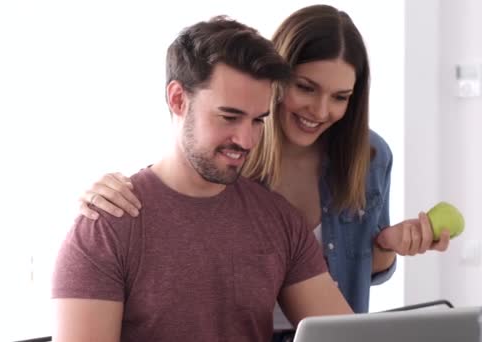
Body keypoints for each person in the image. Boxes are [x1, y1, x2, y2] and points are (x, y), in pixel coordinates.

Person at [76, 4, 452, 336]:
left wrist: (384, 245)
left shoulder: (365, 158)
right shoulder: (224, 164)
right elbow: (181, 170)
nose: (320, 111)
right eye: (306, 88)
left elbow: (360, 283)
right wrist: (108, 195)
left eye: (340, 97)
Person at [52, 15, 353, 342]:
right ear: (178, 99)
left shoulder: (279, 221)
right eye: (230, 117)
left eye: (257, 121)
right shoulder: (107, 226)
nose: (247, 140)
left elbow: (351, 338)